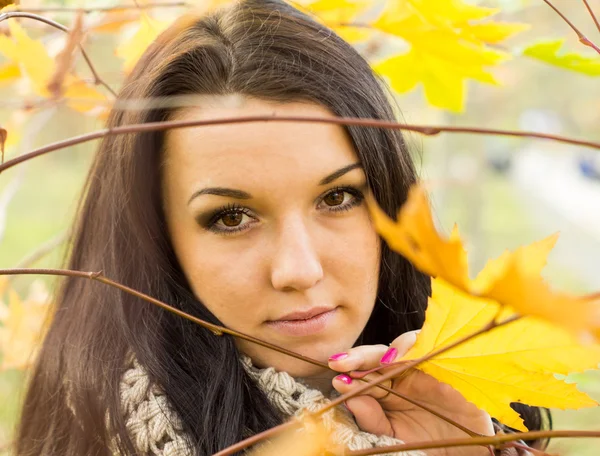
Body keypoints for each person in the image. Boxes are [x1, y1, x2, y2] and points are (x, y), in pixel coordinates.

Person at [14, 0, 549, 455]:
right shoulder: (102, 426)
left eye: (337, 198)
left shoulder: (484, 402)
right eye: (231, 217)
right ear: (156, 240)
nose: (299, 268)